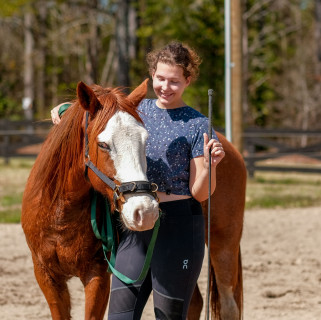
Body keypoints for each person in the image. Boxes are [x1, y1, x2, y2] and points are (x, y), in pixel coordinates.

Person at [51, 41, 225, 320]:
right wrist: (64, 109)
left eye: (174, 81)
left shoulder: (197, 125)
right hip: (136, 221)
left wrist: (211, 165)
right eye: (160, 79)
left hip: (179, 225)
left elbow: (200, 193)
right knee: (120, 316)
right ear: (152, 75)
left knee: (168, 316)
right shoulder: (135, 110)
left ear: (187, 81)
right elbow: (96, 112)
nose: (166, 87)